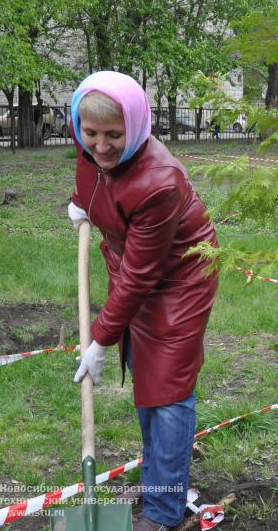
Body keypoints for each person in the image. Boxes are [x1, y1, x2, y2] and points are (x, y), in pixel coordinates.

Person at [68, 71, 218, 531]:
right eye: (90, 133)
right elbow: (96, 181)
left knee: (167, 390)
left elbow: (140, 277)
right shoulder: (89, 150)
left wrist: (98, 340)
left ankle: (163, 512)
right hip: (134, 266)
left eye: (114, 135)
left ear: (135, 126)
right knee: (143, 374)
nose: (101, 146)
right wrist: (82, 202)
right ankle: (159, 479)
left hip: (180, 278)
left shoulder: (160, 181)